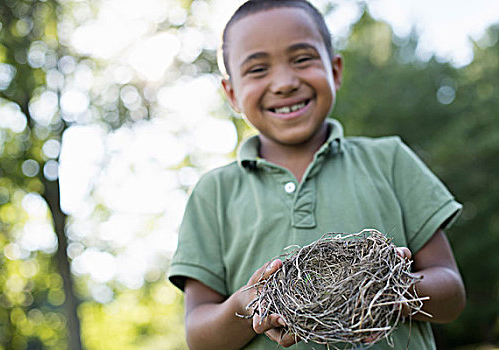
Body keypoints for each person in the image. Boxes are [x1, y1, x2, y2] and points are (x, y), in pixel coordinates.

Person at [168, 0, 466, 349]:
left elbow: (451, 295)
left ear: (335, 70)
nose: (284, 83)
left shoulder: (389, 160)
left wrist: (386, 289)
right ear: (231, 93)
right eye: (258, 69)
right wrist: (248, 306)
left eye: (302, 59)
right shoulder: (213, 193)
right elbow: (199, 336)